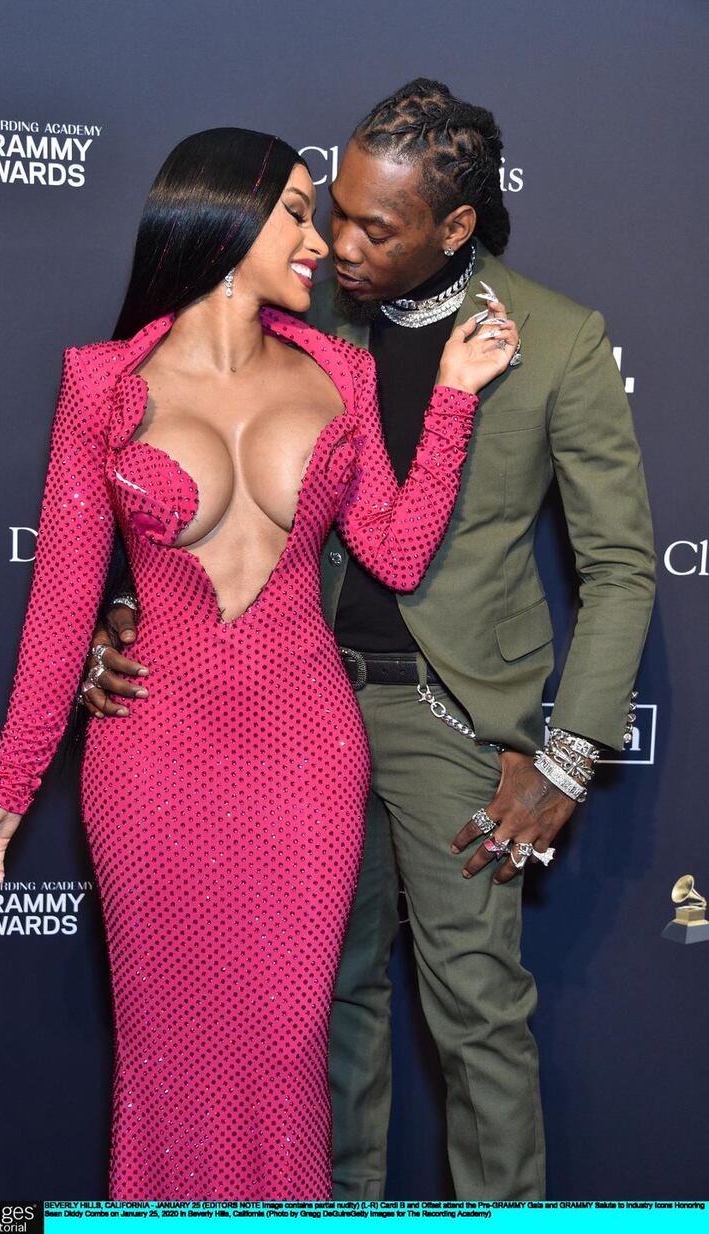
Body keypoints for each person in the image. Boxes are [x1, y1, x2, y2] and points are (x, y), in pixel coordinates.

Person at [85, 82, 656, 1201]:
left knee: (477, 1015)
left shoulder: (554, 339)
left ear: (452, 228)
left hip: (446, 722)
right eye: (332, 210)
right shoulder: (303, 313)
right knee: (316, 1015)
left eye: (372, 227)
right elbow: (181, 463)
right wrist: (132, 608)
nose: (335, 242)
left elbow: (621, 568)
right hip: (289, 708)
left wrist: (566, 757)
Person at [0, 126, 519, 1201]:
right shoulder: (103, 385)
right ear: (224, 222)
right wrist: (6, 790)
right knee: (166, 1059)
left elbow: (392, 550)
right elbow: (64, 604)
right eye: (298, 214)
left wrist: (448, 398)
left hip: (304, 756)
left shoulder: (340, 374)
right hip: (152, 756)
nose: (320, 242)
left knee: (286, 1047)